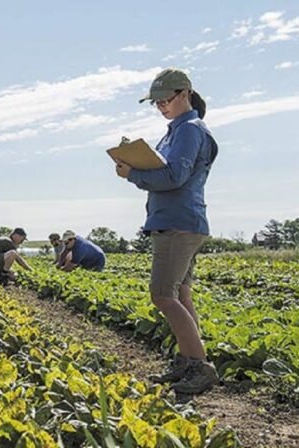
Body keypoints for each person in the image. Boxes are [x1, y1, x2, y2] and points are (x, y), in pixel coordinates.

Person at [114, 68, 219, 395]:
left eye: (165, 99)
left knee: (162, 295)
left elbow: (174, 177)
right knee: (181, 294)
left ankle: (200, 367)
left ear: (184, 94)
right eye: (155, 102)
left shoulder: (189, 130)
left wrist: (132, 173)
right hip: (178, 219)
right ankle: (189, 361)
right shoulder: (176, 131)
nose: (160, 105)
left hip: (178, 222)